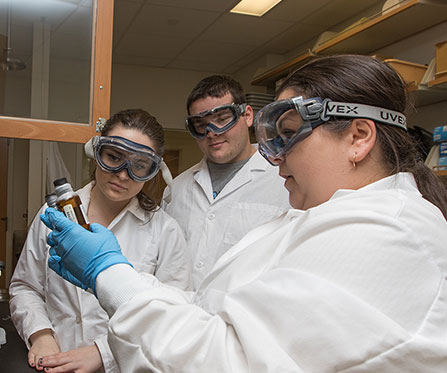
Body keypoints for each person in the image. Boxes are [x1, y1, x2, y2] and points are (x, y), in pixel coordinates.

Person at [40, 55, 447, 372]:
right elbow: (206, 304)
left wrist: (107, 273)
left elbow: (221, 361)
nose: (274, 157)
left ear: (358, 138)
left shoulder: (386, 234)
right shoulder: (315, 215)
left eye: (288, 135)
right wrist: (121, 277)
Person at [9, 109, 190, 372]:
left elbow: (173, 315)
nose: (123, 174)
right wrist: (41, 335)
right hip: (51, 362)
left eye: (139, 165)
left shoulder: (165, 231)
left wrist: (104, 353)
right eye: (114, 157)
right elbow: (25, 286)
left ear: (152, 170)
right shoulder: (54, 216)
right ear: (96, 153)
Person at [162, 75, 290, 289]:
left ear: (248, 116)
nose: (211, 133)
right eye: (200, 125)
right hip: (183, 315)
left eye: (222, 119)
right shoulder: (177, 189)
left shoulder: (284, 179)